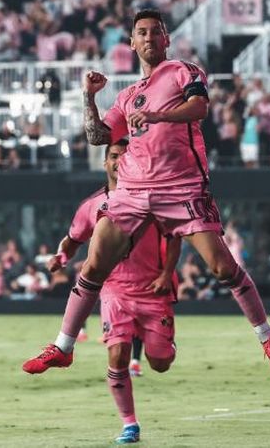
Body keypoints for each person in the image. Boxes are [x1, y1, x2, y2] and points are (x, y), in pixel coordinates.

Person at [23, 9, 270, 382]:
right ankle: (63, 346)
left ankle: (268, 338)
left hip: (181, 185)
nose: (149, 38)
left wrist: (158, 117)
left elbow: (200, 107)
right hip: (133, 190)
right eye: (141, 33)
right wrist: (88, 97)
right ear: (132, 43)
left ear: (166, 40)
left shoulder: (185, 71)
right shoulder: (128, 95)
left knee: (221, 267)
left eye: (155, 32)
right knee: (94, 264)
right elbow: (99, 136)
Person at [39, 139, 181, 443]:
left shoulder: (151, 198)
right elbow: (74, 237)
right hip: (114, 290)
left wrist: (168, 273)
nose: (119, 161)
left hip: (153, 289)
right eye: (114, 156)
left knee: (160, 362)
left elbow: (174, 236)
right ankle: (130, 424)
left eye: (125, 156)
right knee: (117, 354)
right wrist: (61, 257)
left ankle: (166, 347)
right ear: (105, 163)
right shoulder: (92, 205)